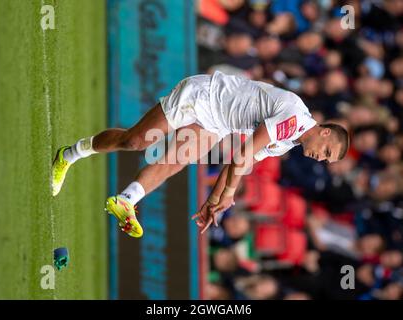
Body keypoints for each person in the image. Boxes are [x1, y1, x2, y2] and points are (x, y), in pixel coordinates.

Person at [51, 71, 349, 238]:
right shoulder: (294, 119)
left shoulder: (289, 143)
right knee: (135, 141)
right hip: (203, 96)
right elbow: (242, 155)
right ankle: (70, 154)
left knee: (173, 163)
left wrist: (215, 201)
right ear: (324, 132)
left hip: (217, 123)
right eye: (326, 152)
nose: (320, 158)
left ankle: (125, 201)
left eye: (326, 159)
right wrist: (228, 195)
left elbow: (238, 166)